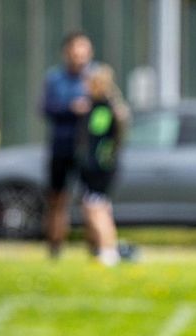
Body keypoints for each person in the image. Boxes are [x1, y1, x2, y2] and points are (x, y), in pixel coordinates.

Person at [41, 31, 94, 258]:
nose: (79, 56)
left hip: (88, 148)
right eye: (75, 51)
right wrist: (70, 108)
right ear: (67, 53)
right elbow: (46, 108)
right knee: (57, 199)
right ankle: (54, 248)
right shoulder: (54, 78)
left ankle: (97, 249)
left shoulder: (96, 76)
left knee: (91, 200)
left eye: (83, 51)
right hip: (61, 146)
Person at [78, 64, 130, 266]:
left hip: (100, 168)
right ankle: (106, 249)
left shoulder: (102, 108)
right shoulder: (108, 106)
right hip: (103, 166)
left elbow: (97, 140)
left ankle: (107, 251)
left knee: (96, 209)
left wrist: (90, 164)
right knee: (102, 208)